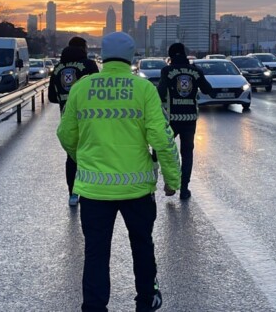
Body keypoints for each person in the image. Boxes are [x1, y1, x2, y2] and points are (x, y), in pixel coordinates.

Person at [57, 32, 181, 312]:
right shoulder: (143, 89)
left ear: (102, 57)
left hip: (93, 190)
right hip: (136, 189)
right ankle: (146, 300)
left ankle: (94, 306)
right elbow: (162, 138)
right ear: (131, 56)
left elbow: (65, 134)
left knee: (96, 253)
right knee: (142, 246)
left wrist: (83, 159)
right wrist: (172, 181)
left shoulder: (82, 88)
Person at [156, 43, 215, 200]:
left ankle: (169, 183)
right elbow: (208, 89)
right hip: (189, 119)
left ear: (170, 56)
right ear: (185, 53)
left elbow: (160, 93)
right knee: (187, 154)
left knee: (163, 150)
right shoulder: (195, 71)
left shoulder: (167, 71)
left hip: (171, 119)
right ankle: (184, 189)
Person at [48, 44, 99, 206]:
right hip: (89, 117)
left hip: (67, 118)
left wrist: (66, 100)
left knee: (71, 156)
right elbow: (97, 90)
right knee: (91, 152)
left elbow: (51, 97)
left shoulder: (57, 69)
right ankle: (91, 190)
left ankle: (73, 194)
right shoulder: (89, 65)